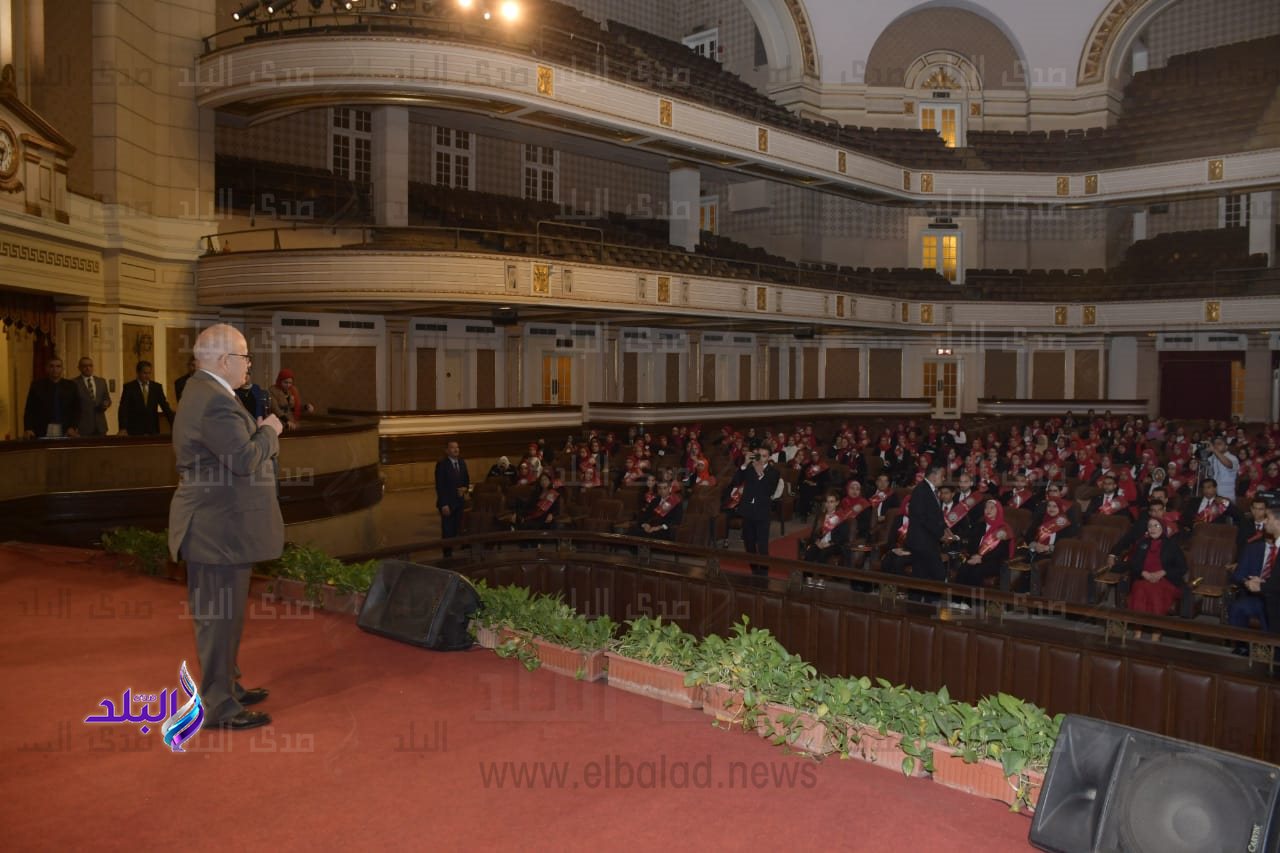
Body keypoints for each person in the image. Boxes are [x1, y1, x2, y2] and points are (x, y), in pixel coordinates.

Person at [167, 323, 282, 731]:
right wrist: (270, 431)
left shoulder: (210, 393)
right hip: (215, 529)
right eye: (244, 356)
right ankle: (218, 705)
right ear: (222, 360)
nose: (249, 364)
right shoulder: (212, 400)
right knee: (217, 621)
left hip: (224, 527)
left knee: (227, 616)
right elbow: (244, 458)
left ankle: (228, 686)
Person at [1123, 517, 1189, 637]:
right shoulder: (1142, 543)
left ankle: (1156, 633)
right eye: (1150, 526)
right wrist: (1144, 573)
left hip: (1166, 580)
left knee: (1155, 590)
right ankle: (1137, 632)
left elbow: (1182, 567)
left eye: (1156, 526)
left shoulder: (1171, 545)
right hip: (1144, 578)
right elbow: (1133, 564)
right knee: (1139, 588)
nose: (1152, 529)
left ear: (1163, 529)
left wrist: (1163, 572)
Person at [906, 462, 955, 593]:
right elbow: (923, 518)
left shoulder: (930, 490)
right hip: (921, 542)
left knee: (922, 576)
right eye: (942, 475)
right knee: (936, 574)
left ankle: (921, 607)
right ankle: (924, 606)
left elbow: (935, 515)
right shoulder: (921, 490)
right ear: (934, 475)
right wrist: (941, 534)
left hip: (926, 541)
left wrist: (945, 528)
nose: (943, 478)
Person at [733, 446, 780, 576]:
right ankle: (754, 570)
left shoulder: (773, 472)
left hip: (762, 512)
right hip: (748, 511)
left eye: (764, 456)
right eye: (759, 455)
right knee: (749, 544)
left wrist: (760, 471)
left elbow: (769, 491)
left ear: (769, 458)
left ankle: (764, 573)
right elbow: (736, 481)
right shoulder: (749, 468)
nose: (761, 458)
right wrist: (745, 464)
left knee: (762, 545)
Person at [956, 499, 1014, 588]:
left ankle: (972, 602)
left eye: (992, 508)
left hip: (993, 562)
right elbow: (971, 544)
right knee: (963, 569)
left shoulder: (1004, 529)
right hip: (975, 558)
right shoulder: (980, 525)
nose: (988, 510)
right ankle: (957, 600)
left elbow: (1001, 552)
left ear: (998, 510)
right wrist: (973, 556)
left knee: (976, 571)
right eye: (986, 508)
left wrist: (982, 558)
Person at [23, 356, 80, 438]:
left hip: (66, 430)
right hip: (41, 429)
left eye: (58, 366)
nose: (55, 369)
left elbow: (77, 409)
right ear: (47, 368)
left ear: (62, 369)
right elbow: (29, 409)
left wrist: (73, 427)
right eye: (51, 366)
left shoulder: (71, 386)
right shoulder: (37, 385)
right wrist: (28, 428)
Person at [117, 360, 174, 436]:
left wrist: (174, 424)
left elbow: (165, 406)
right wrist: (122, 428)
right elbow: (123, 408)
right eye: (144, 373)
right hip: (134, 429)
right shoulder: (129, 387)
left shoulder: (156, 387)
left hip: (152, 429)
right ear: (138, 373)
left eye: (149, 373)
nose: (147, 376)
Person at [435, 440, 470, 556]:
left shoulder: (462, 462)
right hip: (448, 503)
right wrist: (444, 504)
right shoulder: (442, 465)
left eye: (457, 447)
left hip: (459, 502)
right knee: (447, 530)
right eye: (453, 448)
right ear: (447, 451)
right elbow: (440, 486)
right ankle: (447, 554)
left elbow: (466, 480)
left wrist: (465, 488)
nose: (456, 450)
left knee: (456, 528)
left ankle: (453, 551)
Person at [801, 491, 851, 567]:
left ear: (837, 503)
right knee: (810, 552)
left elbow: (842, 537)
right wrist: (817, 541)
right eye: (827, 502)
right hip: (821, 542)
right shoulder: (821, 516)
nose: (829, 504)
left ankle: (820, 578)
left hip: (834, 544)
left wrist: (829, 544)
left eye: (831, 502)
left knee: (823, 554)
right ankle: (808, 577)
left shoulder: (841, 517)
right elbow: (814, 533)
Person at [74, 356, 111, 437]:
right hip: (83, 426)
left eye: (90, 366)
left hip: (100, 425)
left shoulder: (101, 381)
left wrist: (106, 403)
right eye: (85, 366)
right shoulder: (74, 383)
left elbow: (107, 398)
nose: (88, 368)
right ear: (79, 368)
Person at [1204, 436, 1239, 504]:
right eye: (1214, 444)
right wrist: (1203, 452)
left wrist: (1214, 450)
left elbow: (1229, 464)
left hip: (1227, 496)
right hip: (1212, 494)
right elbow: (1203, 466)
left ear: (1226, 447)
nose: (1216, 446)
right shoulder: (1212, 457)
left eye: (1219, 444)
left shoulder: (1232, 457)